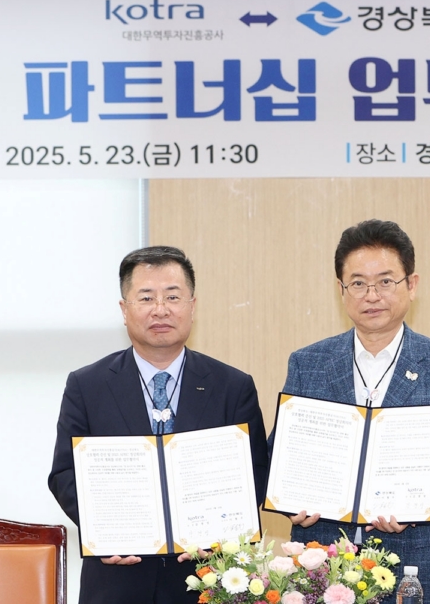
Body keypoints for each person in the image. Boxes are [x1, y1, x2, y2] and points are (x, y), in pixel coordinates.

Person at [278, 219, 430, 604]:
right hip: (322, 563)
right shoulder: (308, 364)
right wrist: (290, 499)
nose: (372, 295)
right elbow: (283, 452)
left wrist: (420, 504)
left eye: (386, 281)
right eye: (358, 283)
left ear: (412, 284)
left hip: (415, 565)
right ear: (341, 290)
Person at [48, 246, 269, 604]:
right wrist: (105, 531)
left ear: (193, 307)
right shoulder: (87, 385)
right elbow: (64, 474)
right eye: (146, 297)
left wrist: (219, 532)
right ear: (124, 310)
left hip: (206, 578)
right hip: (117, 579)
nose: (161, 309)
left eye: (173, 297)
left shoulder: (232, 386)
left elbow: (255, 472)